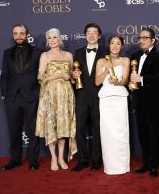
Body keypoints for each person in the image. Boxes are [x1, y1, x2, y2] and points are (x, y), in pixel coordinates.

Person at [0, 24, 41, 171]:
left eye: (21, 33)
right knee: (14, 130)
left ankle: (33, 160)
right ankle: (15, 159)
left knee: (32, 130)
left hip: (31, 96)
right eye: (16, 33)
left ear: (27, 34)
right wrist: (4, 94)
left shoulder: (38, 52)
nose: (18, 36)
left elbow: (41, 75)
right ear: (13, 35)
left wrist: (38, 93)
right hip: (12, 98)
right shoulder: (7, 53)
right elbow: (4, 75)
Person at [35, 28, 77, 171]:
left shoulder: (69, 55)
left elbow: (71, 77)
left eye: (55, 37)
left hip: (66, 94)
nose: (52, 40)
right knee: (52, 127)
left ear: (60, 39)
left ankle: (61, 157)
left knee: (63, 126)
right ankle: (53, 157)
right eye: (49, 38)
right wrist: (58, 75)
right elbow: (40, 77)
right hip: (50, 95)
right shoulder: (45, 55)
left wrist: (72, 76)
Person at [130, 27, 159, 177]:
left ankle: (154, 165)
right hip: (139, 102)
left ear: (152, 40)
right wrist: (131, 83)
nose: (141, 41)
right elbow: (131, 77)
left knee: (154, 134)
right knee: (143, 134)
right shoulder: (135, 55)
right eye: (140, 38)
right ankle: (145, 163)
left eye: (145, 38)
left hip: (154, 102)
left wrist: (141, 79)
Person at [72, 23, 106, 172]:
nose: (91, 35)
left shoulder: (106, 52)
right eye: (88, 33)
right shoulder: (77, 52)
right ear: (85, 35)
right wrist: (73, 76)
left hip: (100, 95)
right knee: (79, 129)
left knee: (98, 128)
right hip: (81, 96)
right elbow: (74, 76)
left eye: (94, 33)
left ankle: (97, 160)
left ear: (99, 36)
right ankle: (83, 159)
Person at [95, 35, 130, 175]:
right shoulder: (101, 61)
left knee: (121, 134)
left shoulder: (126, 60)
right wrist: (106, 69)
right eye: (112, 43)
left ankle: (123, 166)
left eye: (118, 43)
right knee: (107, 134)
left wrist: (117, 82)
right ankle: (110, 167)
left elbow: (126, 80)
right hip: (105, 100)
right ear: (109, 45)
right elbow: (97, 82)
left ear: (122, 46)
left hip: (120, 98)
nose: (115, 46)